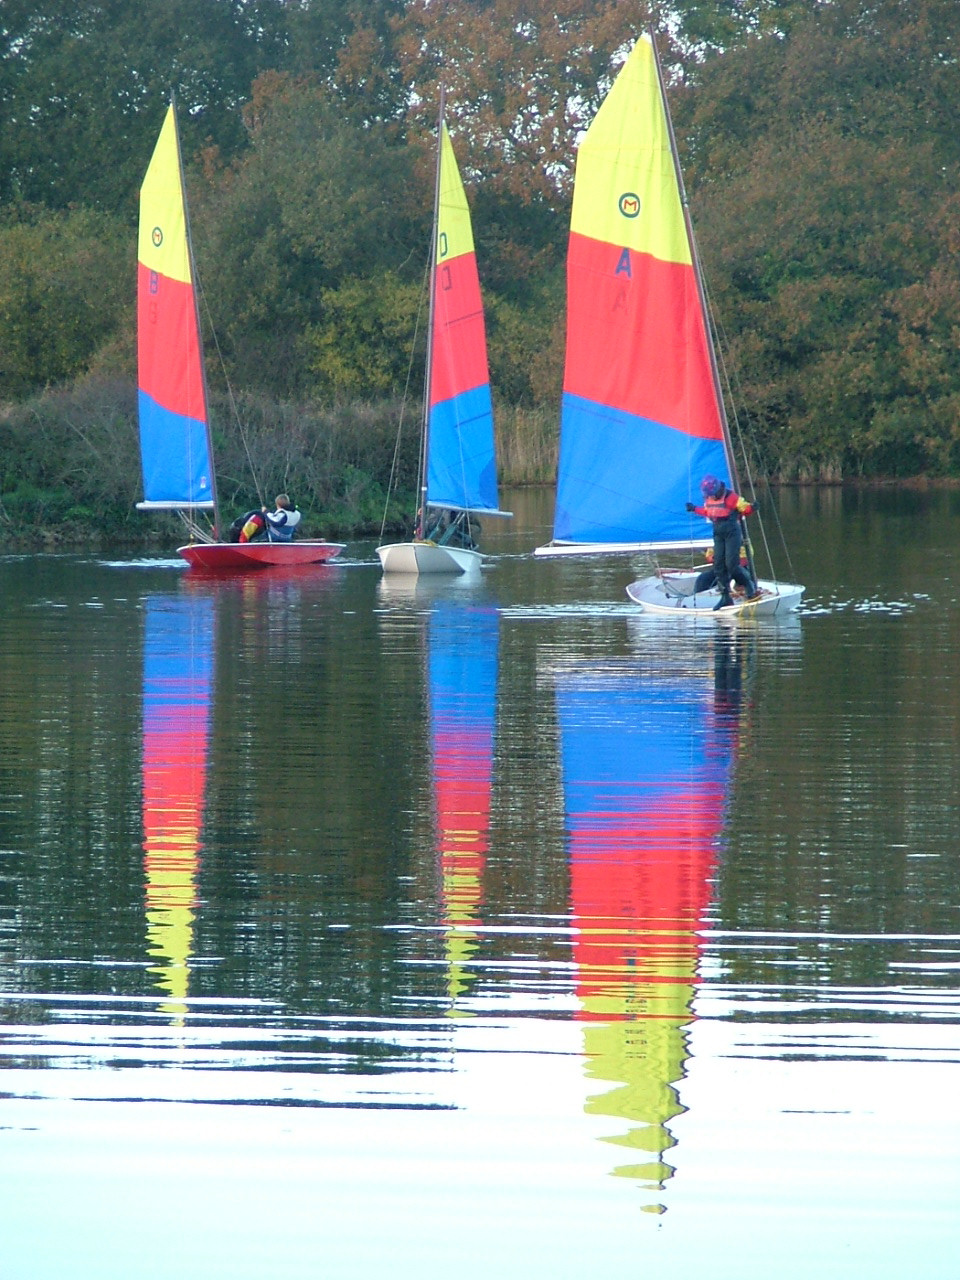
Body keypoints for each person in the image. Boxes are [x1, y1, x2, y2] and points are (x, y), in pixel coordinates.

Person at [686, 475, 759, 609]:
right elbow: (709, 512)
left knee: (731, 564)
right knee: (719, 565)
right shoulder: (709, 499)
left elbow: (745, 509)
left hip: (732, 532)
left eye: (712, 494)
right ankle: (726, 597)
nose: (712, 497)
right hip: (718, 532)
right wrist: (694, 509)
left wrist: (752, 508)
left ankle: (748, 585)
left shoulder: (731, 497)